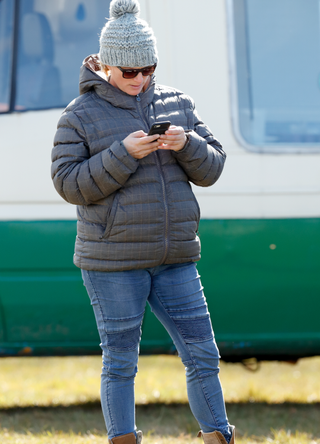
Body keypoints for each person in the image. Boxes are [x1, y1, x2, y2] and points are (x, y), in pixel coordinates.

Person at [51, 0, 235, 443]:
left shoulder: (178, 103)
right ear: (107, 65)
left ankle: (219, 437)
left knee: (203, 354)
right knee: (120, 361)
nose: (140, 79)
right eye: (130, 72)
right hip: (112, 262)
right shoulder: (77, 116)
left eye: (147, 69)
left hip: (176, 257)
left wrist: (187, 143)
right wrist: (123, 154)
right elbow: (69, 184)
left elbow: (212, 170)